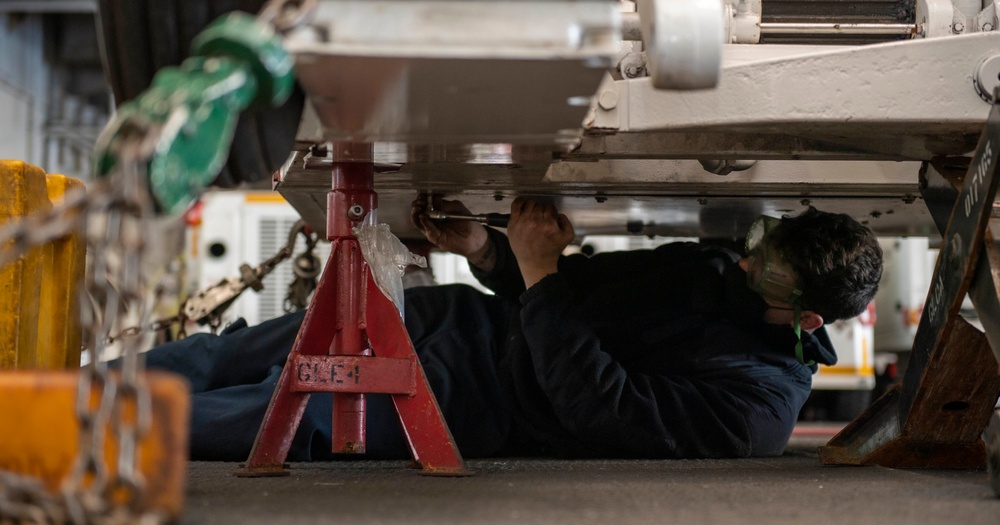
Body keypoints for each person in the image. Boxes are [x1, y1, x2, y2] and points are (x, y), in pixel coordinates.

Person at [140, 196, 882, 461]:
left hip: (474, 399)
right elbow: (568, 289)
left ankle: (67, 426)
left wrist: (538, 273)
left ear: (810, 317)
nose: (749, 264)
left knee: (272, 412)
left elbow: (598, 402)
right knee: (224, 353)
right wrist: (489, 250)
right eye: (762, 243)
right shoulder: (723, 269)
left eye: (771, 270)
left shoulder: (754, 412)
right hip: (455, 319)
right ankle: (60, 392)